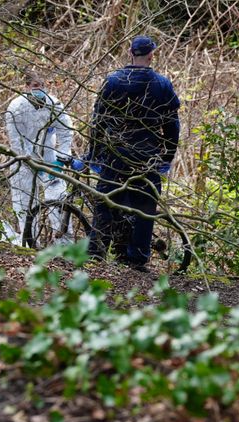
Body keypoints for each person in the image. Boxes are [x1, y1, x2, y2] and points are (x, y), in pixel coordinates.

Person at [86, 35, 180, 271]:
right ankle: (137, 259)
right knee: (145, 208)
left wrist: (94, 155)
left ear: (131, 53)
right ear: (151, 55)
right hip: (147, 157)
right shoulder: (162, 84)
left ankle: (96, 254)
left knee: (105, 204)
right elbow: (172, 126)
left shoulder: (113, 81)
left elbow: (99, 122)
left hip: (115, 155)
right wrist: (166, 157)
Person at [5, 69, 74, 244]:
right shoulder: (16, 107)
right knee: (24, 202)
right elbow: (16, 139)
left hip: (50, 159)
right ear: (27, 87)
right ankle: (29, 243)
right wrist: (29, 159)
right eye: (36, 86)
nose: (40, 89)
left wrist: (62, 156)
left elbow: (66, 131)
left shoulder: (54, 104)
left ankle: (65, 246)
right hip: (23, 161)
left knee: (58, 200)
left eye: (42, 85)